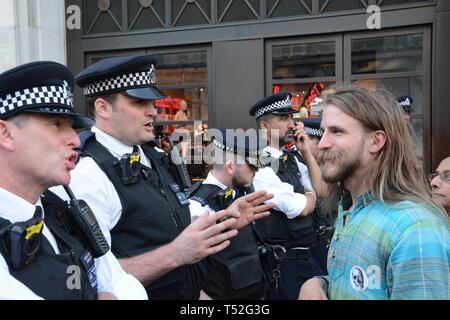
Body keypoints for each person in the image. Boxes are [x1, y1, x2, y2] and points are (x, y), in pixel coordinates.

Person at [54, 54, 271, 300]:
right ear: (103, 107)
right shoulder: (88, 174)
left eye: (152, 102)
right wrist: (174, 254)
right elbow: (95, 277)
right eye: (138, 103)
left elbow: (173, 220)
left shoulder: (152, 154)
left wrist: (225, 220)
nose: (152, 111)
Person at [0, 61, 147, 300]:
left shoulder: (64, 211)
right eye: (56, 125)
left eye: (71, 127)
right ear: (6, 134)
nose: (75, 141)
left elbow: (123, 284)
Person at [299, 85, 450, 300]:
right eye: (323, 132)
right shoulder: (351, 208)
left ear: (376, 141)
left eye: (337, 131)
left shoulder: (415, 229)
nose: (322, 143)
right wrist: (317, 284)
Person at [249, 91, 326, 300]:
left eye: (291, 118)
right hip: (284, 266)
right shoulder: (258, 164)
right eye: (283, 119)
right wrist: (308, 194)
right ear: (265, 126)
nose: (291, 124)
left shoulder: (293, 158)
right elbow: (300, 208)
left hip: (308, 258)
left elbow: (322, 191)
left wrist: (306, 152)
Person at [189, 128, 276, 299]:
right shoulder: (197, 205)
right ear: (230, 166)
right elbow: (188, 267)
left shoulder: (240, 191)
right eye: (252, 166)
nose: (256, 171)